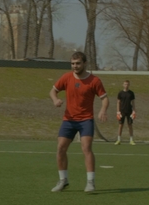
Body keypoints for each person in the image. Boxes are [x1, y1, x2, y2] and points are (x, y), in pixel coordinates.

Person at [49, 51, 109, 193]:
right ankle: (63, 180)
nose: (75, 66)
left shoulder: (94, 81)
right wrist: (55, 100)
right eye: (73, 64)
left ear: (85, 64)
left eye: (78, 63)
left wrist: (103, 110)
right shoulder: (66, 77)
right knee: (60, 148)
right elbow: (53, 91)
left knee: (86, 148)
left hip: (86, 120)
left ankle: (90, 182)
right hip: (68, 120)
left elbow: (105, 98)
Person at [114, 80, 136, 145]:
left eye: (127, 84)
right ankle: (118, 140)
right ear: (123, 85)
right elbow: (118, 102)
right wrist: (118, 112)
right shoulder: (120, 93)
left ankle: (131, 140)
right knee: (120, 125)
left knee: (130, 125)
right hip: (122, 111)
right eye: (125, 84)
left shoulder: (131, 93)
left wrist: (134, 111)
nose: (126, 85)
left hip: (129, 111)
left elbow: (133, 102)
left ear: (129, 85)